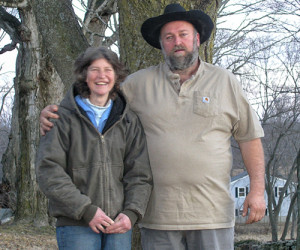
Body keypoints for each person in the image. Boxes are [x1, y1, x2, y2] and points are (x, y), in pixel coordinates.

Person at [39, 3, 266, 250]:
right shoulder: (137, 84)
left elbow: (249, 138)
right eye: (169, 37)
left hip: (212, 215)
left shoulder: (225, 82)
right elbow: (93, 102)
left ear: (197, 38)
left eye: (183, 35)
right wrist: (56, 112)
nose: (176, 42)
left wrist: (256, 191)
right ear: (161, 44)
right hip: (158, 218)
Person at [35, 46, 153, 250]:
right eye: (94, 69)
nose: (102, 76)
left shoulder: (128, 121)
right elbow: (49, 170)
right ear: (84, 75)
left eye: (108, 70)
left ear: (116, 76)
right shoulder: (61, 118)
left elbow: (140, 174)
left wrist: (131, 212)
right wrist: (86, 210)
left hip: (118, 224)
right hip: (76, 223)